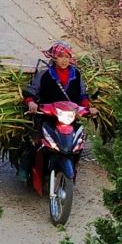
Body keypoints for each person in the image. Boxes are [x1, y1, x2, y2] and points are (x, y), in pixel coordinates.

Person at [22, 43, 89, 192]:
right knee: (37, 144)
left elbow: (83, 95)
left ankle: (72, 169)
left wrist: (87, 107)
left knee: (78, 145)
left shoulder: (76, 74)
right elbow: (31, 92)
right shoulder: (45, 74)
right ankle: (29, 172)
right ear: (54, 58)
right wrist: (31, 102)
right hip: (48, 117)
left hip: (70, 118)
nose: (64, 60)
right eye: (60, 57)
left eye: (67, 57)